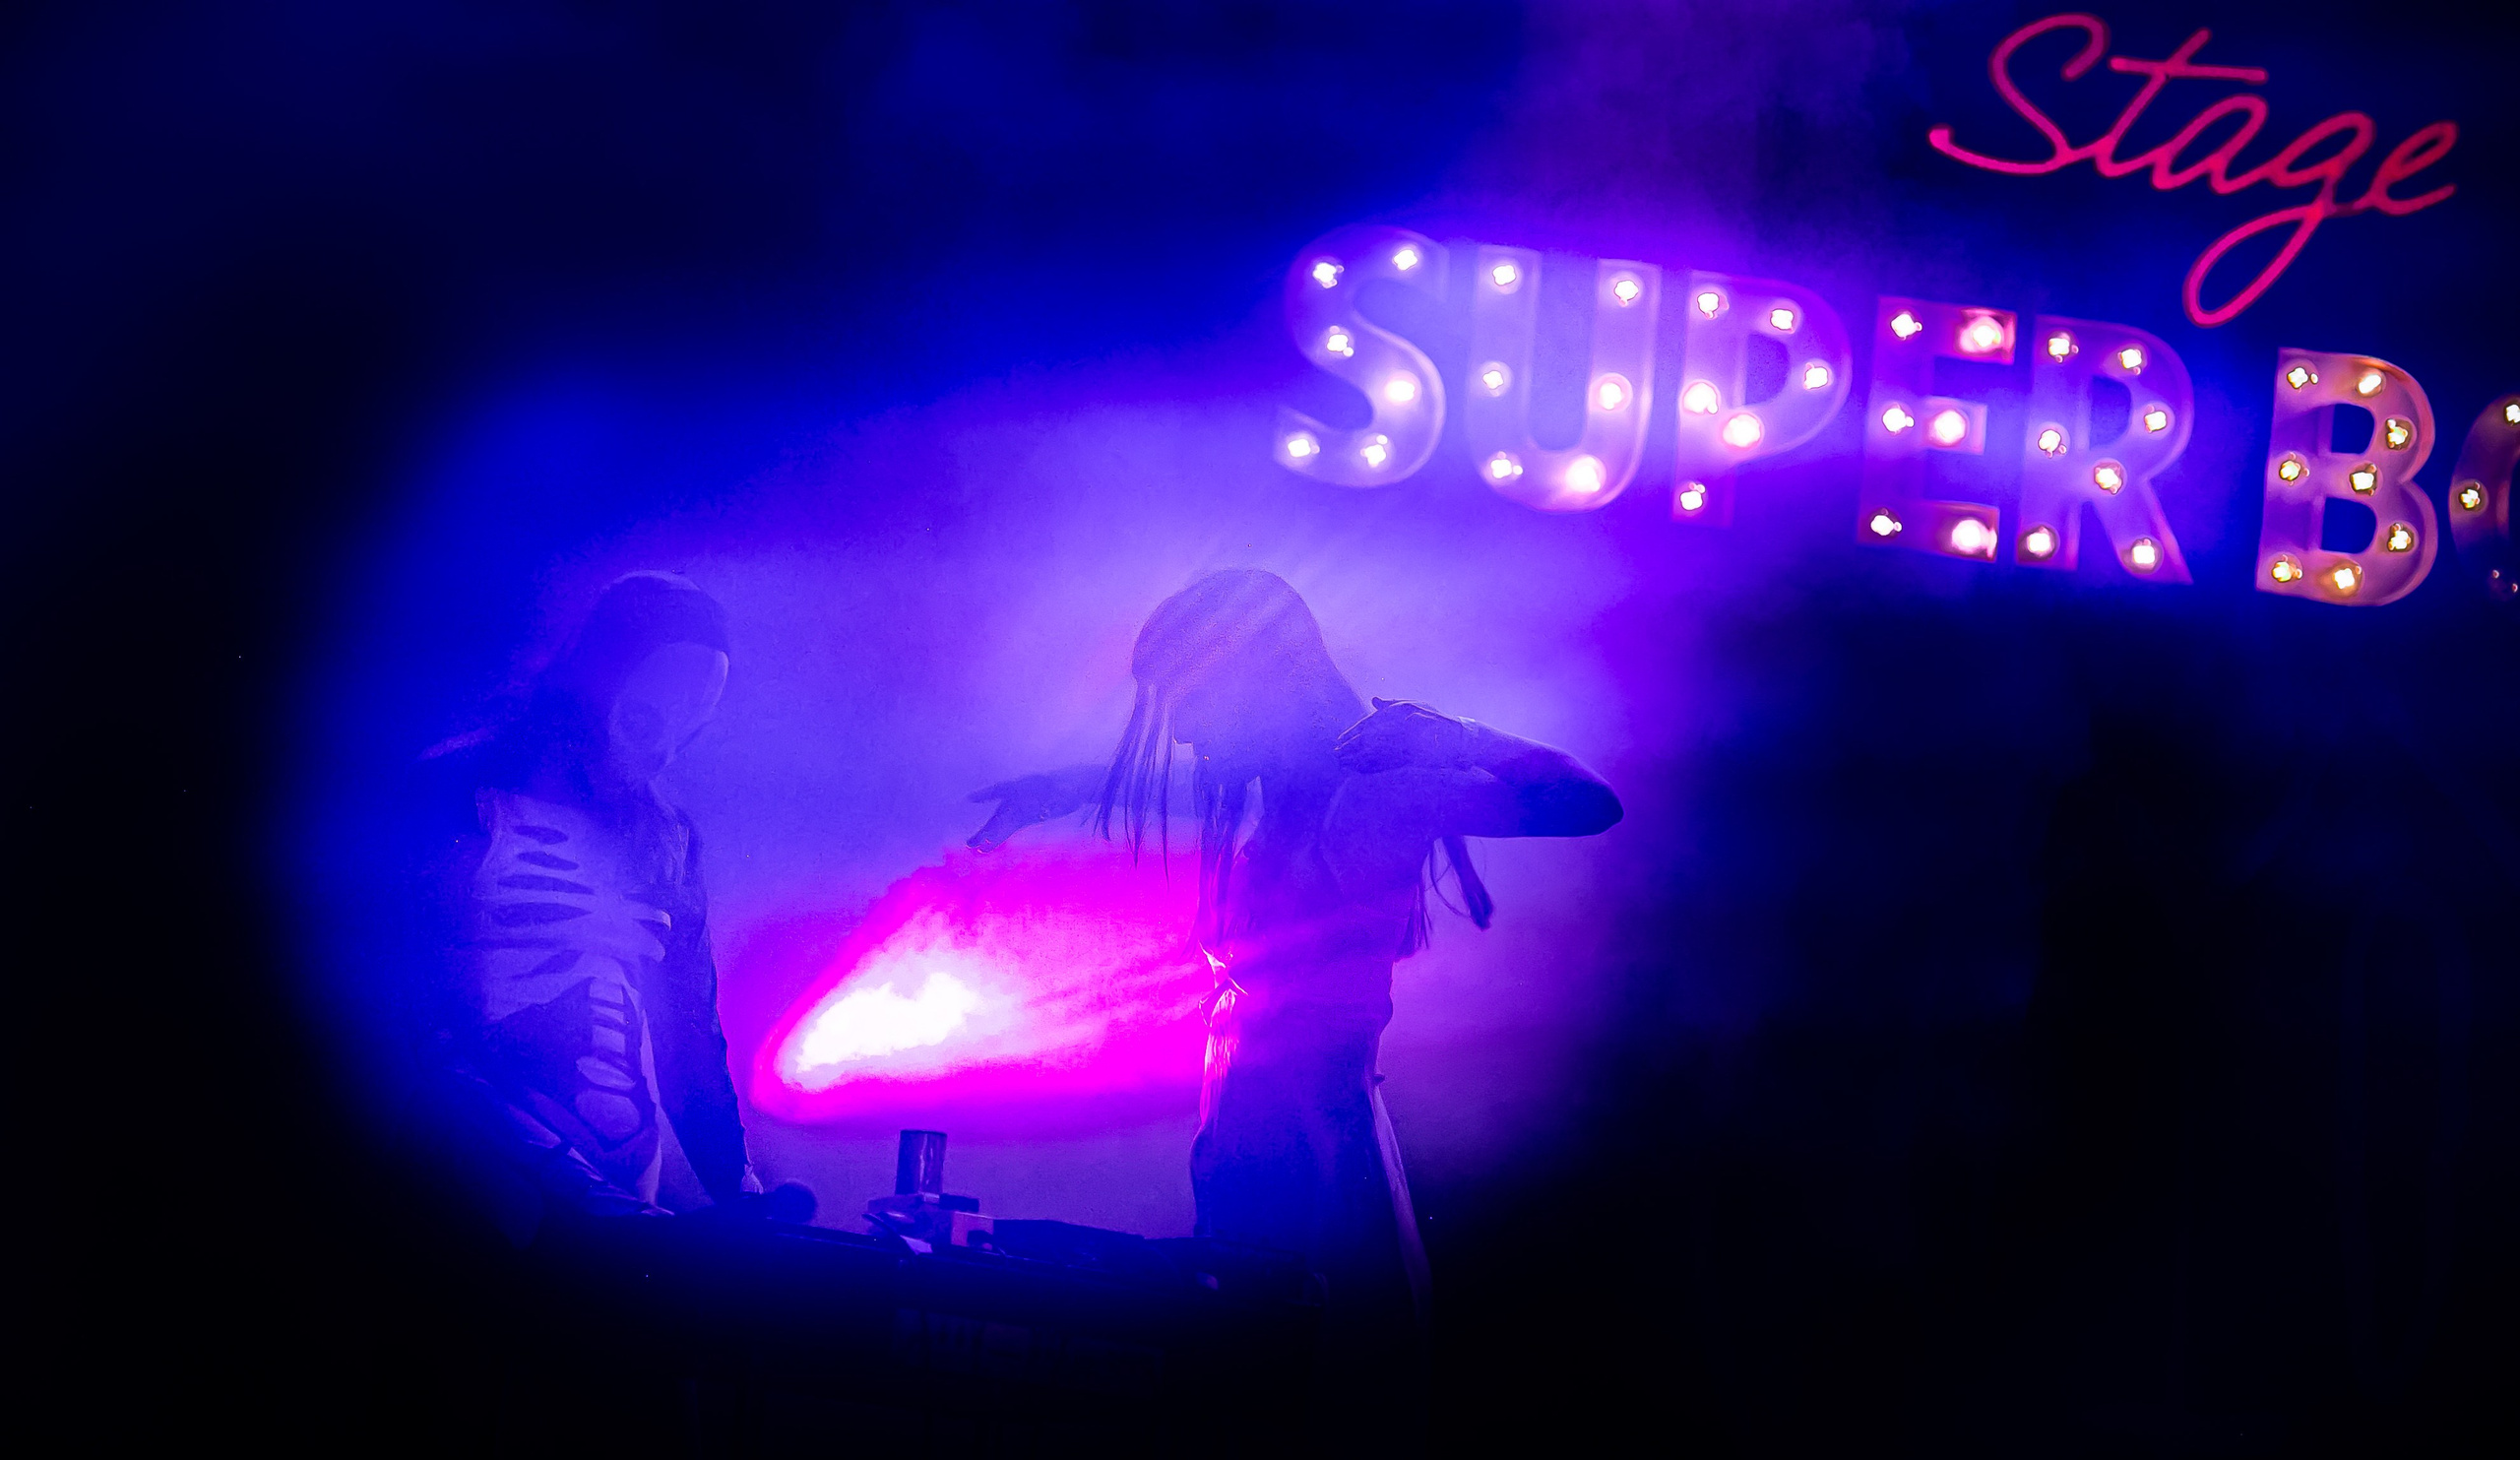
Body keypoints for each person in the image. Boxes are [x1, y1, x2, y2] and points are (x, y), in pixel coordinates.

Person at [969, 569, 1621, 1441]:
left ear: (1250, 682)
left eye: (1189, 702)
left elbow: (1590, 801)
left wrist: (1456, 736)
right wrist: (1073, 783)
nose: (1187, 734)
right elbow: (1179, 787)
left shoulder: (1378, 794)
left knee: (1300, 1402)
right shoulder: (1271, 796)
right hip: (1253, 1131)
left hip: (1310, 1147)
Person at [411, 571, 766, 1243]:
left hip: (625, 1193)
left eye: (694, 723)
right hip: (467, 1176)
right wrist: (555, 1168)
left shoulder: (667, 836)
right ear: (602, 676)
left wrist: (741, 1192)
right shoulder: (452, 788)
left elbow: (689, 1029)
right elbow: (409, 1012)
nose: (663, 746)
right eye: (650, 713)